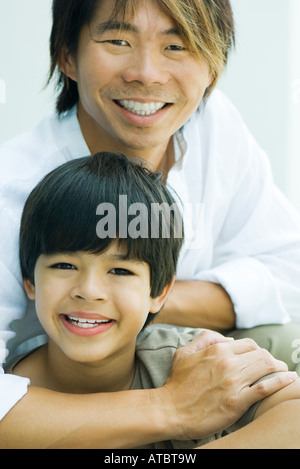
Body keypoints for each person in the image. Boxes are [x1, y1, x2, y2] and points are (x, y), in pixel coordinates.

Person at [0, 0, 300, 446]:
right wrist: (173, 407)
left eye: (176, 45)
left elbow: (289, 271)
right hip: (57, 392)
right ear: (67, 55)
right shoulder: (12, 188)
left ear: (213, 65)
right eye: (118, 40)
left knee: (284, 341)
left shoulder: (214, 127)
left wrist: (133, 298)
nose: (147, 73)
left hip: (165, 355)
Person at [8, 151, 300, 449]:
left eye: (120, 270)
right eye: (65, 266)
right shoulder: (11, 388)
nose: (89, 290)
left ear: (159, 292)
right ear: (30, 280)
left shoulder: (189, 359)